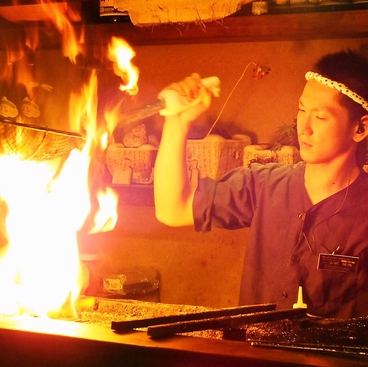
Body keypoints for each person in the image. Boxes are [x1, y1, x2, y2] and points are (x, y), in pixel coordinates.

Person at [154, 49, 368, 319]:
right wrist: (177, 121)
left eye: (321, 117)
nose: (304, 127)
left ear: (360, 128)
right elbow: (172, 209)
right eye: (302, 110)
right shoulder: (265, 185)